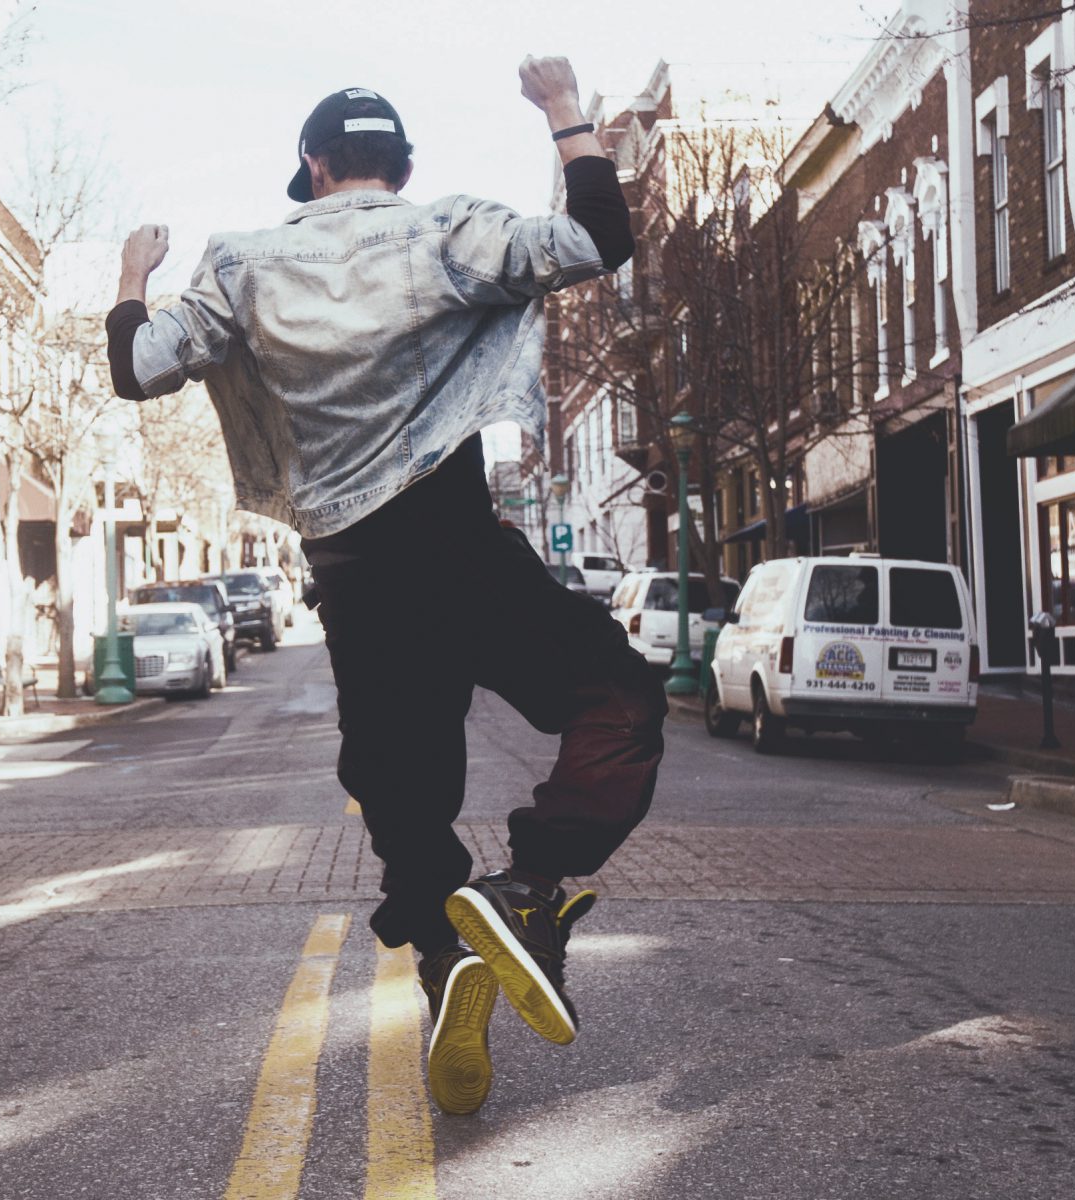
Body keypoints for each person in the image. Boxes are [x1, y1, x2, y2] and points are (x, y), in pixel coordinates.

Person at [107, 57, 664, 1116]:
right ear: (398, 168)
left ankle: (449, 959)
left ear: (312, 169)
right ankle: (528, 886)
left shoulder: (242, 264)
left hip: (355, 583)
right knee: (619, 701)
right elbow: (599, 237)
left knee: (408, 810)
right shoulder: (448, 231)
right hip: (459, 549)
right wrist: (562, 114)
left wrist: (135, 274)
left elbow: (137, 369)